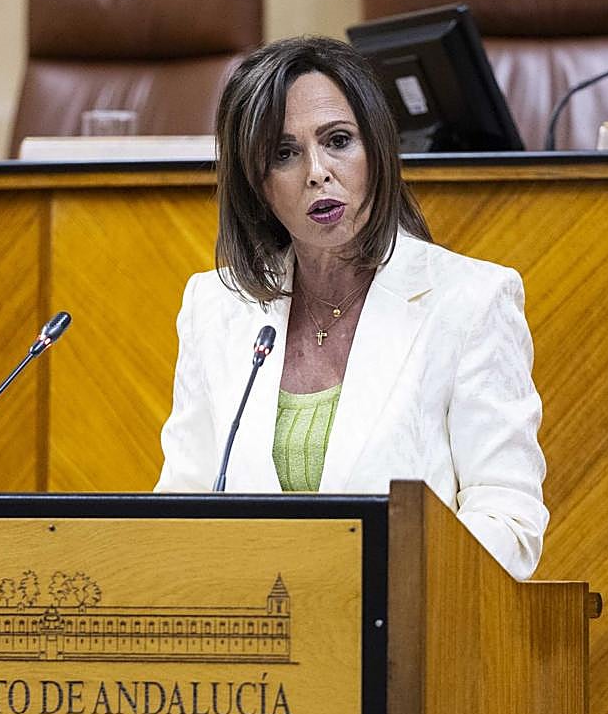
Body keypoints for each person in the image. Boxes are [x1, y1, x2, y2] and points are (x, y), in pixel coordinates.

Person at [154, 36, 547, 581]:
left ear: (378, 151)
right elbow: (183, 502)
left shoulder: (471, 301)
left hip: (404, 636)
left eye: (338, 140)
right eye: (284, 153)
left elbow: (509, 519)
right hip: (257, 641)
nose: (317, 171)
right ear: (257, 183)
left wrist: (379, 590)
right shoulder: (216, 306)